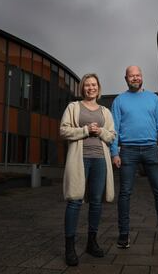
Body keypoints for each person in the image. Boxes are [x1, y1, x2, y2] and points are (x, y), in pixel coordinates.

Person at [111, 65, 158, 248]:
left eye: (138, 75)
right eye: (131, 75)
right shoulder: (119, 101)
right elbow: (114, 129)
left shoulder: (153, 99)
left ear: (142, 77)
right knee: (125, 193)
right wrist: (114, 152)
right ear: (125, 78)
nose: (135, 78)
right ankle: (124, 234)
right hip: (127, 151)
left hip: (151, 149)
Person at [60, 73, 116, 266]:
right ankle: (70, 248)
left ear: (98, 88)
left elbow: (111, 136)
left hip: (100, 160)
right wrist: (85, 130)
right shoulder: (73, 107)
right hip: (79, 159)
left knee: (96, 203)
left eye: (94, 85)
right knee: (75, 201)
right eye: (87, 85)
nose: (90, 88)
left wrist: (100, 131)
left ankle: (92, 243)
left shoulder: (105, 112)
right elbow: (64, 130)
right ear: (82, 88)